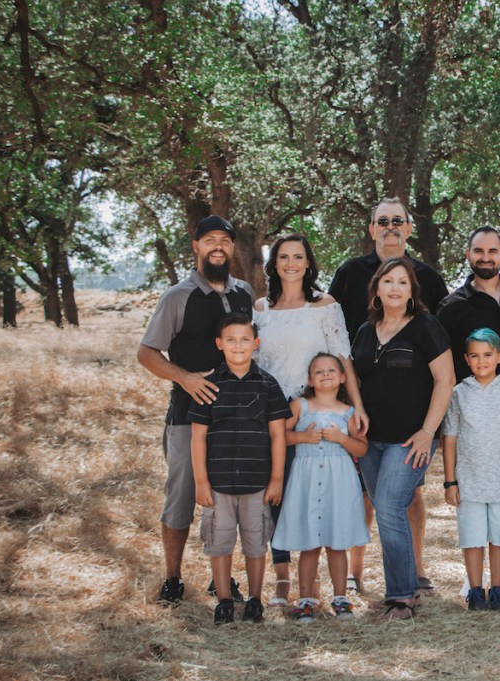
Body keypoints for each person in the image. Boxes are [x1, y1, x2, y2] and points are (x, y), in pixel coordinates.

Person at [330, 197, 448, 593]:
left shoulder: (428, 290)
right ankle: (357, 573)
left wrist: (430, 429)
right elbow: (339, 344)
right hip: (363, 424)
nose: (391, 226)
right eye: (383, 220)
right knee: (371, 499)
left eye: (398, 220)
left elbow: (441, 365)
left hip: (412, 427)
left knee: (397, 503)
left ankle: (409, 582)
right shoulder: (350, 280)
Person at [137, 215, 255, 607]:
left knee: (228, 499)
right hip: (188, 415)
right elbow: (147, 352)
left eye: (224, 239)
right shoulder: (178, 296)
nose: (217, 246)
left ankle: (221, 578)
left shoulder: (244, 294)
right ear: (196, 246)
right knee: (182, 496)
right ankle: (172, 577)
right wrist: (185, 378)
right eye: (209, 240)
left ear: (232, 247)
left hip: (235, 419)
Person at [253, 234, 366, 607]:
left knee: (307, 490)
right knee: (277, 493)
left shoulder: (325, 306)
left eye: (298, 257)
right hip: (270, 410)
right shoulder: (262, 309)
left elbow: (343, 358)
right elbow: (254, 363)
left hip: (311, 406)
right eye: (283, 256)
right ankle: (283, 578)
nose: (290, 263)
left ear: (308, 263)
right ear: (274, 264)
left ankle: (324, 586)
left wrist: (359, 406)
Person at [437, 225, 500, 596]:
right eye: (478, 250)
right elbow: (441, 359)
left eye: (492, 251)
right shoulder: (453, 306)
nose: (485, 257)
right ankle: (474, 575)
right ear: (468, 255)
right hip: (473, 418)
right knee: (474, 493)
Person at [350, 257, 455, 619]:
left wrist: (429, 433)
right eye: (388, 281)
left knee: (392, 509)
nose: (395, 288)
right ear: (377, 288)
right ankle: (404, 587)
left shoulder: (426, 326)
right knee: (385, 510)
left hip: (410, 440)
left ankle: (402, 597)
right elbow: (358, 380)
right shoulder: (366, 331)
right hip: (371, 440)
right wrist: (356, 413)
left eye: (403, 283)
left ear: (412, 292)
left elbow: (446, 381)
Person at [187, 313, 291, 624]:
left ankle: (256, 600)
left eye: (245, 339)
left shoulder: (267, 385)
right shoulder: (208, 386)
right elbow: (197, 437)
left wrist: (276, 479)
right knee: (220, 544)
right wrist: (201, 481)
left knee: (255, 543)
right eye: (231, 340)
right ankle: (223, 601)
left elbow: (277, 435)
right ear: (219, 344)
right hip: (217, 483)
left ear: (255, 344)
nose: (238, 345)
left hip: (257, 481)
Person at [272, 353, 370, 621]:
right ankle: (306, 600)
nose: (326, 374)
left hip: (338, 482)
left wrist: (341, 438)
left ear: (342, 377)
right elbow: (279, 435)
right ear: (309, 380)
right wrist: (302, 437)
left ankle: (340, 598)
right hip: (306, 479)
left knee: (337, 543)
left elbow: (362, 447)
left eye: (331, 370)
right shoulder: (300, 406)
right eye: (319, 371)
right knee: (309, 544)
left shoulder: (349, 412)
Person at [442, 329, 500, 611]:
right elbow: (450, 439)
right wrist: (450, 481)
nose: (482, 361)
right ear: (466, 359)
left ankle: (498, 589)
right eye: (475, 356)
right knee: (472, 538)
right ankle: (476, 590)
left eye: (488, 355)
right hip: (469, 481)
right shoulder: (458, 394)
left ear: (499, 357)